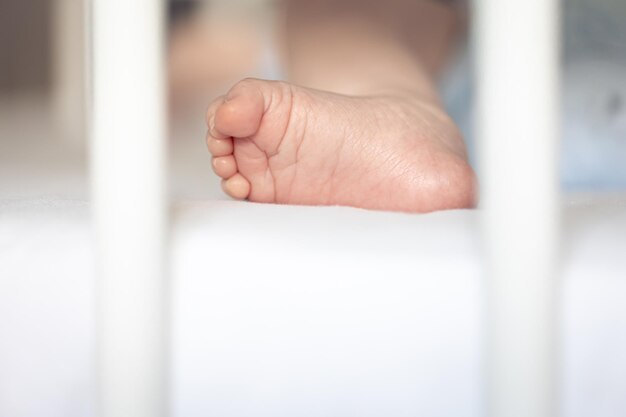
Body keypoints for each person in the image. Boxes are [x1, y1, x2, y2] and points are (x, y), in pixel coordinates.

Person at [202, 0, 476, 212]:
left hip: (462, 61)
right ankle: (398, 105)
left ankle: (400, 107)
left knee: (329, 13)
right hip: (491, 90)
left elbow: (205, 56)